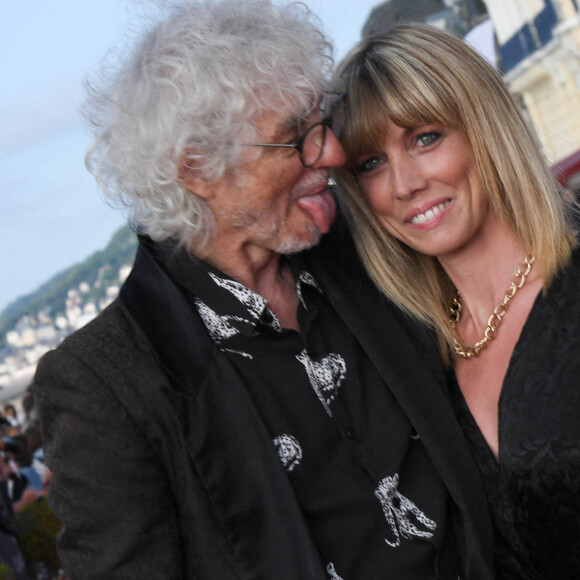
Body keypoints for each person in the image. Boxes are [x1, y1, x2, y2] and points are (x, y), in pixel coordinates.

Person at [33, 3, 494, 578]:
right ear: (197, 168)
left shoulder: (367, 248)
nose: (330, 153)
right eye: (292, 139)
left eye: (318, 123)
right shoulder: (105, 382)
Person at [330, 22, 580, 579]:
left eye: (425, 138)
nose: (404, 183)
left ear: (483, 127)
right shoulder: (412, 363)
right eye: (370, 164)